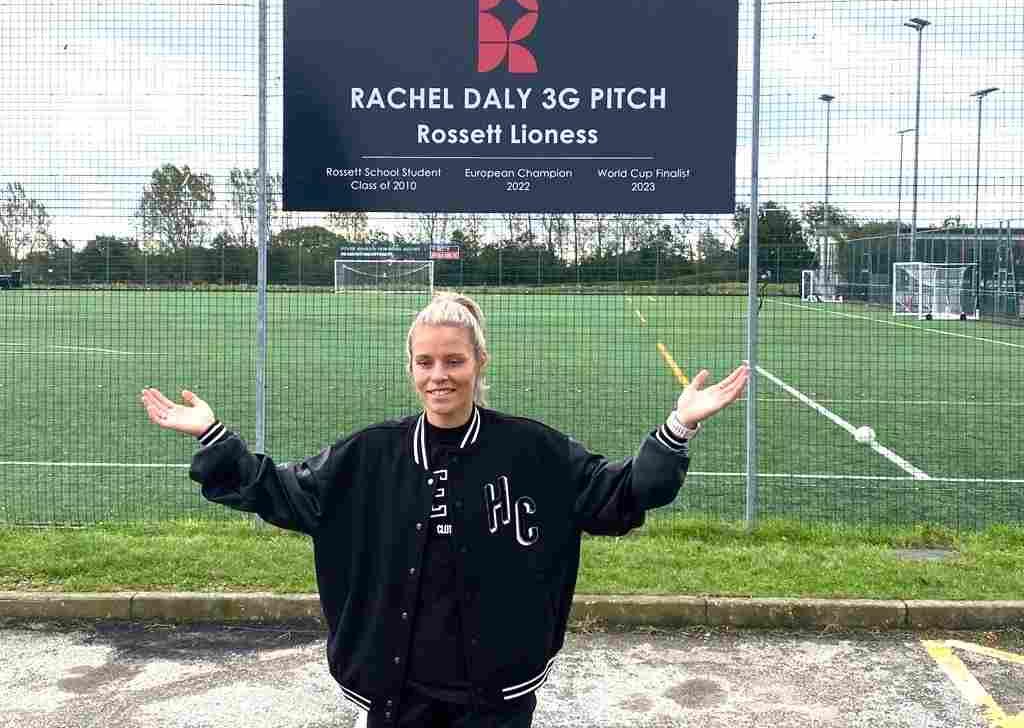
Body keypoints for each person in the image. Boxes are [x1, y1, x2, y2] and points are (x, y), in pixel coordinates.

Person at [140, 292, 749, 728]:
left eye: (454, 361)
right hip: (395, 685)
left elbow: (618, 494)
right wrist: (213, 435)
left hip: (496, 690)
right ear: (410, 368)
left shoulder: (532, 449)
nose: (440, 375)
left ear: (479, 363)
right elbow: (277, 490)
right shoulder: (369, 453)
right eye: (426, 362)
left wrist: (678, 427)